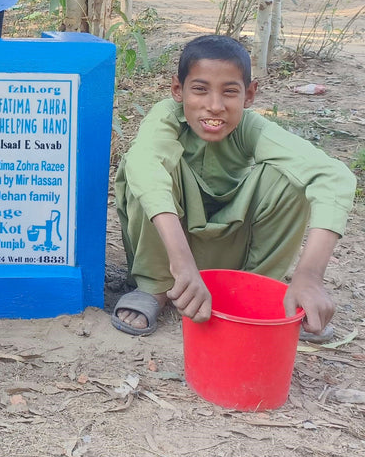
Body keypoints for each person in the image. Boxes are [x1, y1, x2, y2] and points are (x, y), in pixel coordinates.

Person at [112, 34, 356, 339]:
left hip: (230, 255)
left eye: (229, 92)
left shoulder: (252, 128)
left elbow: (333, 176)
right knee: (141, 164)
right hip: (169, 252)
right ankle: (154, 288)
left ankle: (254, 291)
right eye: (200, 90)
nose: (214, 106)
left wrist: (309, 276)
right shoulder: (165, 118)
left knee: (290, 177)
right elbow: (145, 167)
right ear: (178, 90)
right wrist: (182, 262)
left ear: (250, 95)